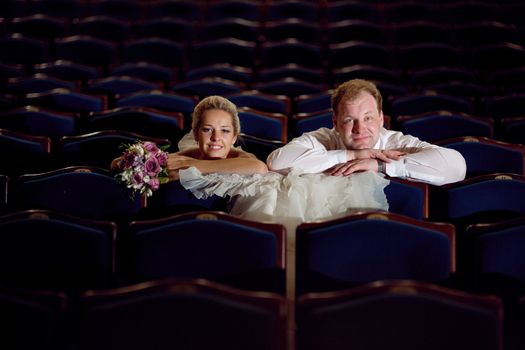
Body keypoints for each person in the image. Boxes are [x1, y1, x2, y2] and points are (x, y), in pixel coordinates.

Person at [174, 95, 389, 234]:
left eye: (225, 131)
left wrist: (189, 164)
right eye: (207, 129)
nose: (215, 138)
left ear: (234, 137)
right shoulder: (184, 153)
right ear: (196, 133)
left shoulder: (243, 158)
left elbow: (257, 167)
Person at [267, 79, 466, 186]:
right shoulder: (324, 138)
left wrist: (379, 165)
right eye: (349, 120)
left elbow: (456, 166)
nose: (359, 129)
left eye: (368, 118)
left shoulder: (396, 143)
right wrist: (352, 155)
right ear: (335, 122)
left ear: (381, 118)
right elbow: (277, 163)